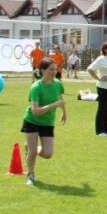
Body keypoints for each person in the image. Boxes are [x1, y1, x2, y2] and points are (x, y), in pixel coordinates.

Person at [21, 58, 66, 186]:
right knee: (32, 152)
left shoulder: (57, 84)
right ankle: (30, 175)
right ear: (43, 70)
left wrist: (64, 112)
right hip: (32, 120)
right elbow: (35, 111)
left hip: (47, 122)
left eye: (55, 69)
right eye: (51, 69)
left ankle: (30, 148)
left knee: (48, 153)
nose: (54, 72)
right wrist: (54, 105)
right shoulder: (36, 87)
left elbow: (60, 98)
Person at [87, 42, 107, 136]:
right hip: (103, 87)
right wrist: (98, 78)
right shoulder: (101, 59)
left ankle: (106, 130)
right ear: (106, 50)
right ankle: (99, 131)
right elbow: (90, 69)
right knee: (102, 109)